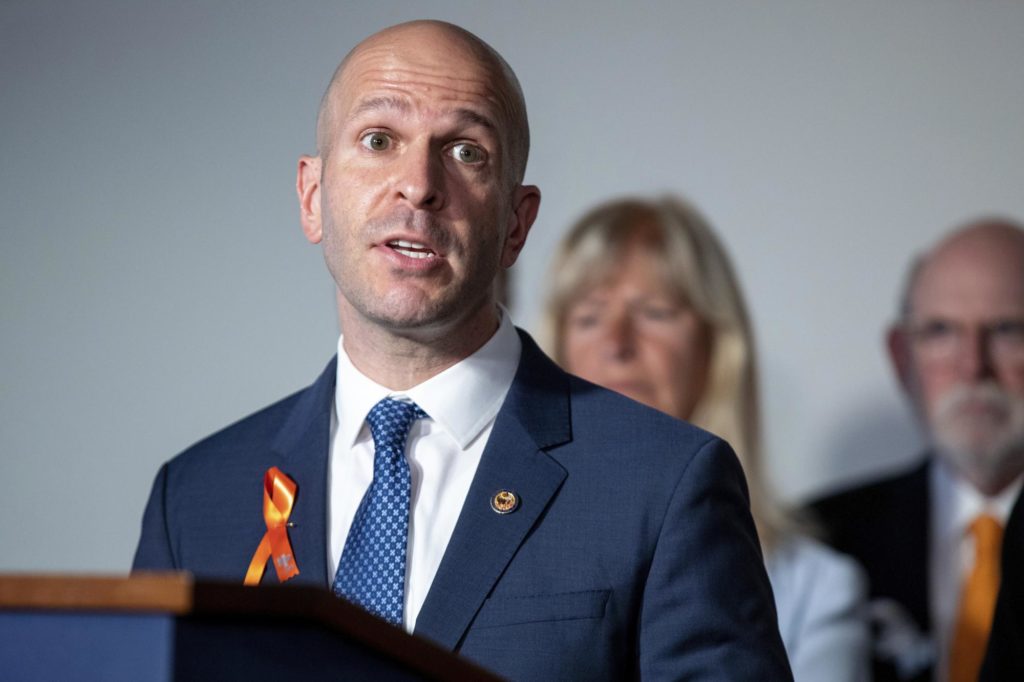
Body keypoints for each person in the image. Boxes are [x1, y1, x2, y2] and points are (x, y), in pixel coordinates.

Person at [132, 20, 792, 680]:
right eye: (379, 139)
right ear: (312, 196)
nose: (418, 183)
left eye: (466, 152)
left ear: (516, 222)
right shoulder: (194, 500)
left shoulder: (665, 484)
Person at [544, 196, 870, 681]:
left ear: (716, 347)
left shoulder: (815, 587)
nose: (616, 344)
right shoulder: (499, 550)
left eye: (653, 312)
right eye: (588, 317)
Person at [810, 218, 1024, 682]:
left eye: (1008, 329)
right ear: (900, 356)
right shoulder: (817, 542)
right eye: (941, 331)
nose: (973, 366)